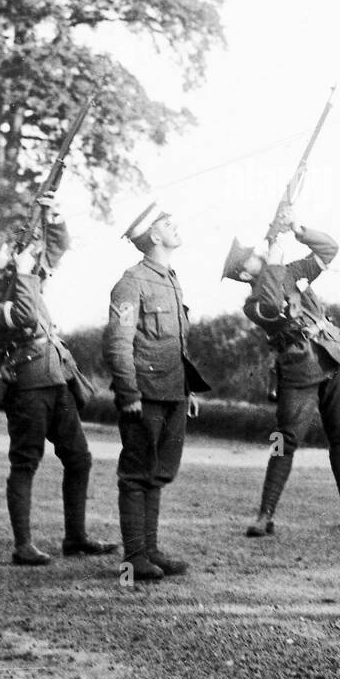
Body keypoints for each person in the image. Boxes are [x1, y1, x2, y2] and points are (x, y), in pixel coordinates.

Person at [0, 193, 116, 567]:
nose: (8, 248)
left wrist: (53, 215)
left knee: (79, 458)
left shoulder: (20, 277)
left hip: (55, 376)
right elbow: (24, 318)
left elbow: (57, 249)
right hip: (27, 385)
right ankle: (23, 545)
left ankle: (76, 538)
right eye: (1, 249)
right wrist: (23, 273)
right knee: (25, 463)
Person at [222, 211, 340, 538]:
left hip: (333, 357)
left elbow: (329, 251)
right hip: (299, 370)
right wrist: (276, 260)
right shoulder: (253, 303)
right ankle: (265, 515)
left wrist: (299, 230)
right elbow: (273, 302)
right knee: (285, 440)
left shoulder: (291, 271)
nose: (257, 254)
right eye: (250, 257)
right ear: (243, 272)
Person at [102, 203, 211, 582]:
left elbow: (176, 343)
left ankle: (149, 550)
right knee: (135, 474)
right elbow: (118, 343)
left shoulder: (171, 278)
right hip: (144, 395)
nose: (175, 226)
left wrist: (187, 389)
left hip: (172, 392)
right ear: (153, 236)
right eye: (167, 223)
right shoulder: (131, 282)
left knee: (159, 472)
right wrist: (128, 393)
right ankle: (133, 557)